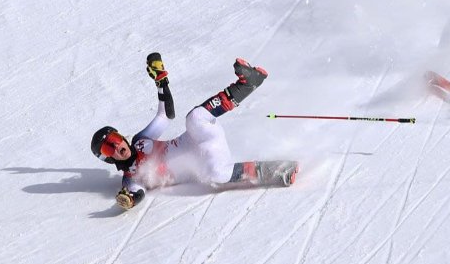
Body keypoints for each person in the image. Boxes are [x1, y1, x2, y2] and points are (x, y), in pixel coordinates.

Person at [91, 53, 298, 210]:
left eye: (115, 139)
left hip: (198, 138)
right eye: (110, 148)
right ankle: (278, 170)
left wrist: (162, 82)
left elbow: (165, 116)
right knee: (216, 174)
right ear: (108, 159)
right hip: (205, 162)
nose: (117, 146)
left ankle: (246, 84)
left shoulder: (140, 141)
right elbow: (135, 194)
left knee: (194, 118)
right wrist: (128, 200)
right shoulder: (131, 178)